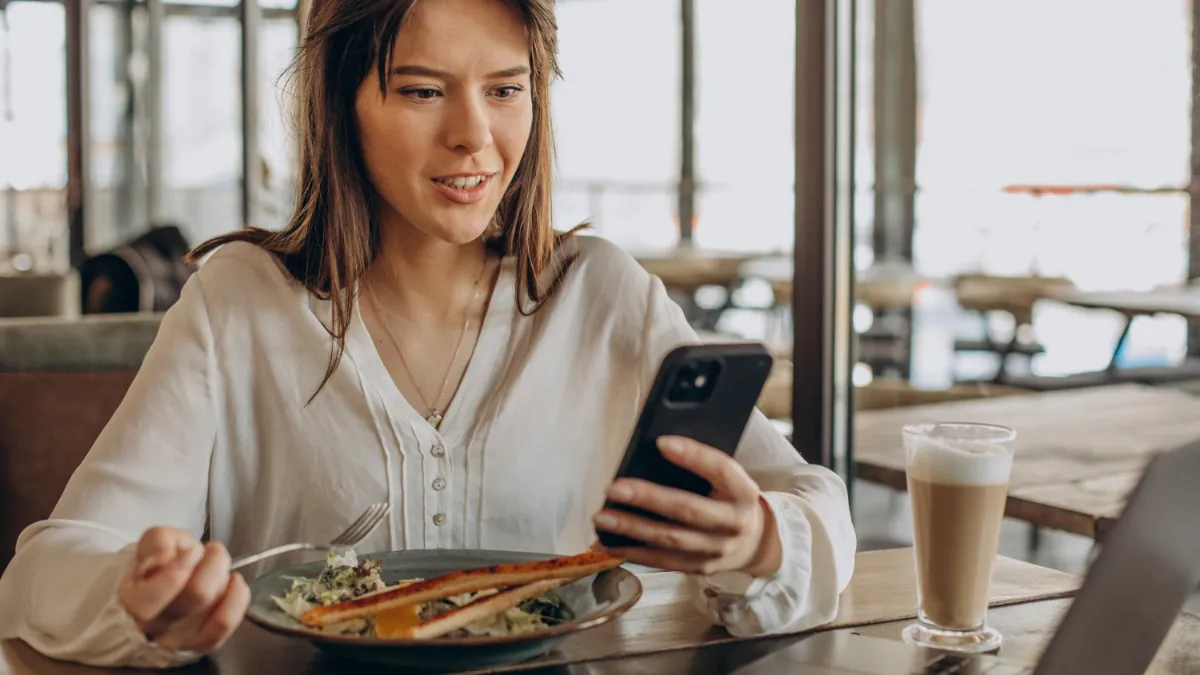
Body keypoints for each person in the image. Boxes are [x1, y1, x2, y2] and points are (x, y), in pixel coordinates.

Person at [0, 0, 857, 667]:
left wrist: (762, 540)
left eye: (505, 89)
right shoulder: (240, 305)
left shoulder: (601, 294)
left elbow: (820, 508)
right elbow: (42, 572)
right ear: (342, 102)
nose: (474, 136)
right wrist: (139, 594)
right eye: (420, 89)